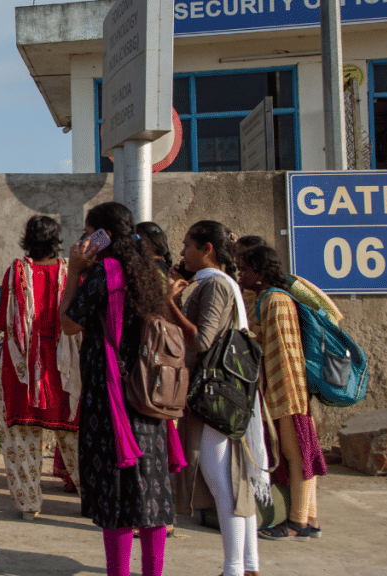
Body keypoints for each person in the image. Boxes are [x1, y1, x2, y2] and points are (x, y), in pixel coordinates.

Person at [60, 202, 173, 576]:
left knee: (118, 495)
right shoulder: (147, 270)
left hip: (110, 396)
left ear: (102, 235)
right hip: (147, 392)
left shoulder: (104, 273)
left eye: (89, 231)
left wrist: (74, 271)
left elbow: (69, 323)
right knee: (150, 493)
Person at [167, 221, 267, 576]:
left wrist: (170, 305)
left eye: (187, 245)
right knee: (233, 479)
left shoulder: (216, 286)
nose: (182, 253)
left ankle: (234, 567)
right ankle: (248, 564)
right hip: (229, 391)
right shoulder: (224, 285)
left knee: (220, 479)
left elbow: (203, 340)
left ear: (207, 248)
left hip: (215, 394)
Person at [0, 215, 79, 520]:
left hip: (22, 369)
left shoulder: (16, 273)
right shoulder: (72, 273)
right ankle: (94, 500)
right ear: (57, 240)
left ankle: (29, 505)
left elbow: (1, 318)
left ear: (27, 239)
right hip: (64, 368)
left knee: (21, 438)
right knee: (75, 437)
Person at [240, 245, 326, 542]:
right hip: (289, 391)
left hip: (286, 392)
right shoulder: (273, 297)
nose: (241, 275)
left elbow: (277, 352)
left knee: (296, 455)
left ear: (260, 273)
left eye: (244, 269)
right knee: (299, 454)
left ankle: (296, 521)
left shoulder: (274, 301)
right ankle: (310, 519)